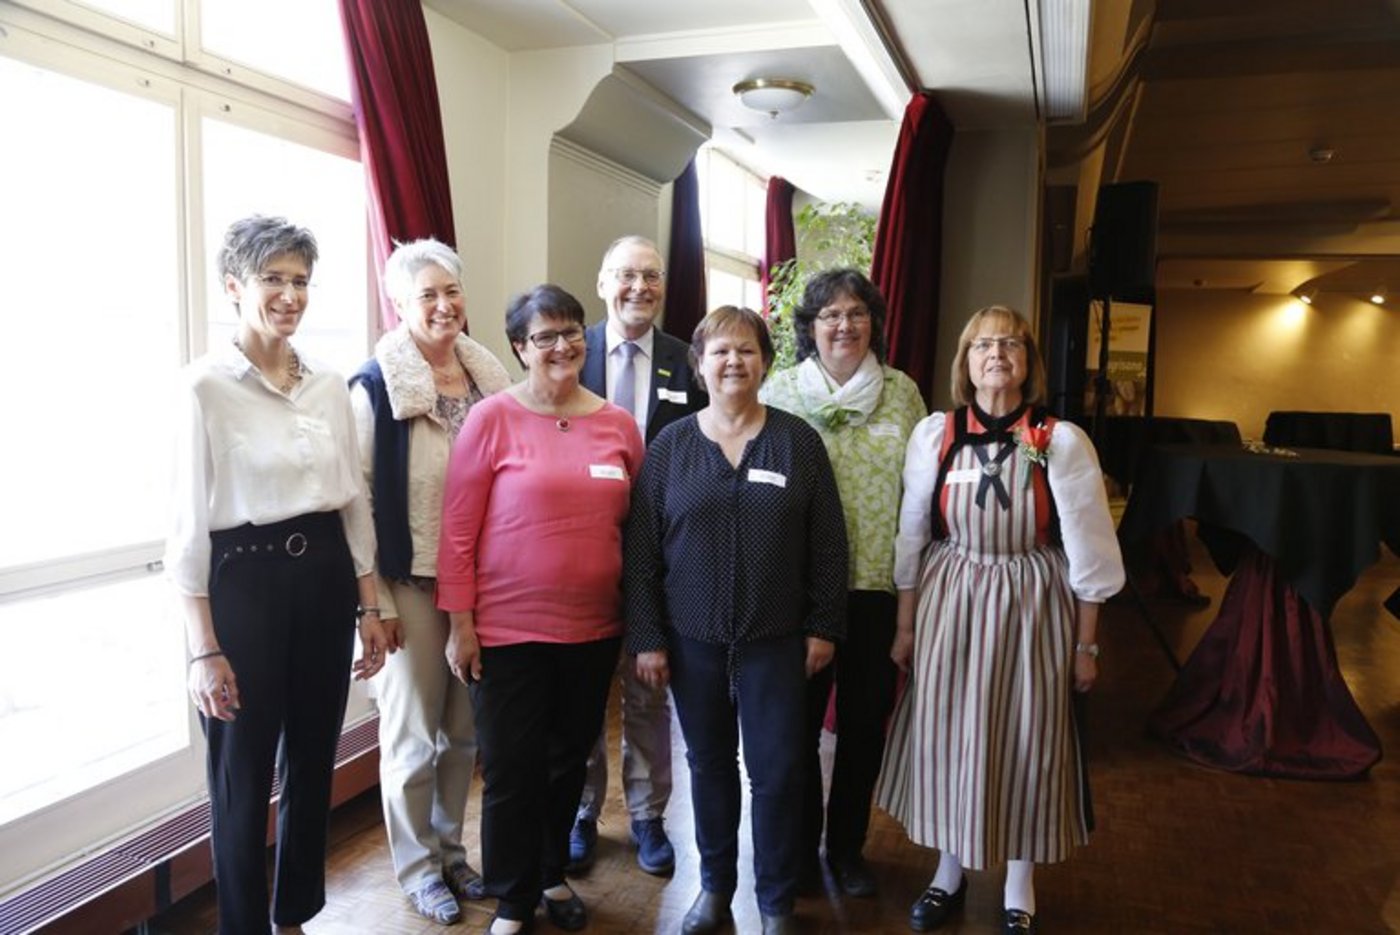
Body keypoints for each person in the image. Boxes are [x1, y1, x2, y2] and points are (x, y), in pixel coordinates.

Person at [166, 215, 391, 934]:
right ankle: (242, 924)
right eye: (273, 279)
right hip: (244, 584)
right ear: (235, 286)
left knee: (313, 757)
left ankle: (294, 913)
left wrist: (370, 603)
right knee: (241, 773)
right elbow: (185, 528)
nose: (290, 295)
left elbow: (352, 501)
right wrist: (203, 647)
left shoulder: (328, 383)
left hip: (325, 575)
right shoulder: (202, 386)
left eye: (300, 281)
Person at [874, 305, 1124, 935]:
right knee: (949, 733)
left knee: (1027, 734)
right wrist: (905, 626)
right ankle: (947, 870)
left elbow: (1090, 546)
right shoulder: (937, 433)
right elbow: (911, 534)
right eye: (983, 345)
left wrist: (1085, 645)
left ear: (1027, 360)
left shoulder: (1060, 439)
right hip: (951, 595)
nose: (996, 355)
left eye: (1009, 344)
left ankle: (1019, 880)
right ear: (966, 361)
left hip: (1030, 600)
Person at [625, 306, 848, 935]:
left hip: (776, 644)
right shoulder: (669, 448)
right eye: (719, 351)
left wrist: (823, 626)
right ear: (699, 365)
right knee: (709, 766)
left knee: (777, 774)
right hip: (691, 641)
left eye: (746, 351)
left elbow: (829, 543)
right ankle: (715, 890)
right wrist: (646, 636)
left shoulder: (797, 442)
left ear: (765, 363)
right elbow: (641, 552)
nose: (733, 362)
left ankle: (775, 902)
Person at [437, 284, 645, 935]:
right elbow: (458, 530)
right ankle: (513, 896)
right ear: (521, 348)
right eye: (546, 335)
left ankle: (551, 869)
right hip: (505, 630)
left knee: (568, 760)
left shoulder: (617, 424)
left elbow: (638, 530)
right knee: (509, 767)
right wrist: (461, 624)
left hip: (591, 629)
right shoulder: (491, 419)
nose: (563, 345)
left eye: (572, 330)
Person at [349, 239, 512, 924]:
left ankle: (451, 850)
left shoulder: (487, 378)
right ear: (399, 303)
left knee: (463, 731)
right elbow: (354, 496)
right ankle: (417, 868)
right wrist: (374, 605)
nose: (444, 306)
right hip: (408, 583)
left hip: (479, 585)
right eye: (427, 295)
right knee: (413, 734)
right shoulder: (376, 385)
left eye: (452, 291)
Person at [758, 269, 926, 897]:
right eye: (829, 314)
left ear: (873, 323)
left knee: (862, 727)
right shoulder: (779, 393)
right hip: (797, 593)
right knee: (795, 729)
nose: (844, 325)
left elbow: (924, 494)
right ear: (809, 327)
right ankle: (797, 850)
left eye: (856, 313)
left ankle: (847, 850)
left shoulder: (904, 394)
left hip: (877, 588)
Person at [569, 235, 706, 875]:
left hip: (665, 555)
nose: (639, 288)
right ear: (603, 282)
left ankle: (649, 817)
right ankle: (581, 812)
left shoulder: (689, 360)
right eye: (626, 275)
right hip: (583, 549)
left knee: (649, 688)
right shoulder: (571, 353)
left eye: (651, 276)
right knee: (587, 689)